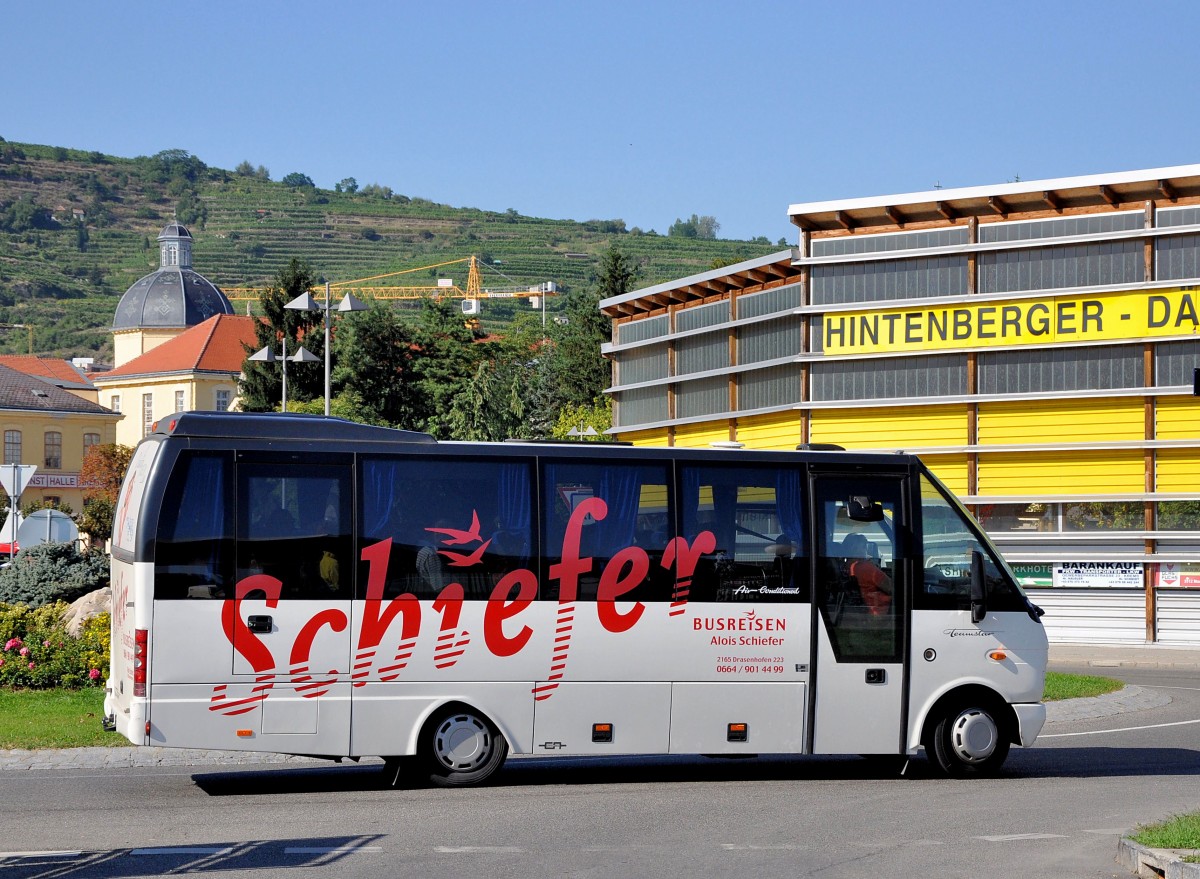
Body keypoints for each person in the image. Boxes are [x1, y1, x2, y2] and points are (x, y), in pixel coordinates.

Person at [840, 532, 892, 615]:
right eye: (864, 546)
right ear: (854, 549)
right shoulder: (866, 568)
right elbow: (891, 588)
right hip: (880, 612)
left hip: (862, 610)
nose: (866, 549)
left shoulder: (844, 567)